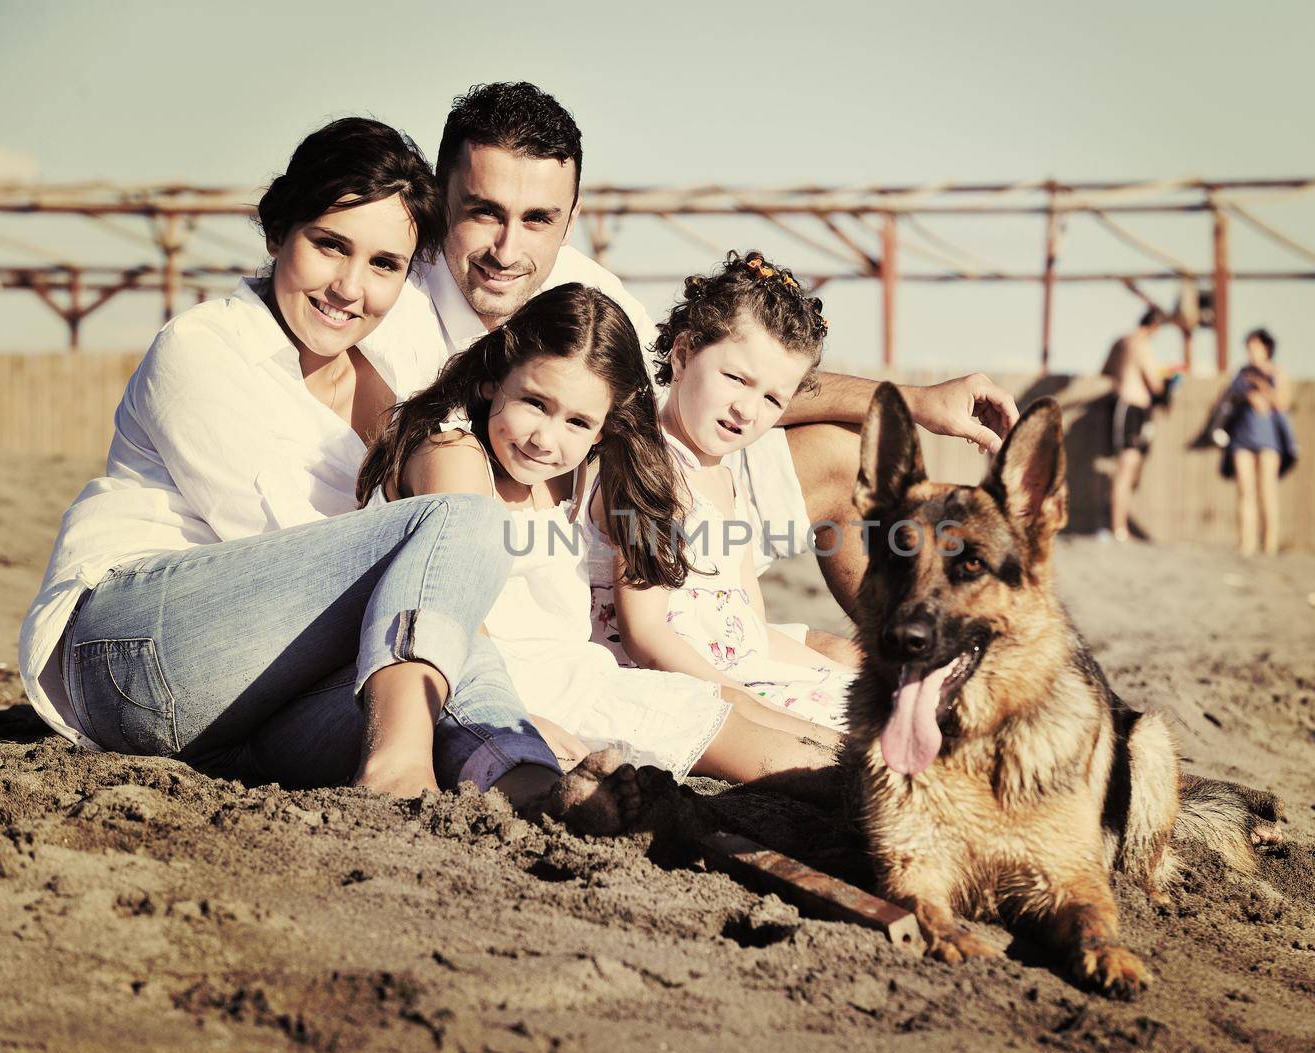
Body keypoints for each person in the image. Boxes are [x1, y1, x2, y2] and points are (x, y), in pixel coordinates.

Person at [17, 118, 639, 829]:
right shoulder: (204, 349)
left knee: (431, 695)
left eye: (384, 265)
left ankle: (529, 784)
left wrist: (487, 696)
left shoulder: (390, 374)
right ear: (281, 228)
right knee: (460, 525)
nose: (350, 286)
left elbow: (408, 610)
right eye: (330, 245)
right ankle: (399, 769)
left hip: (246, 716)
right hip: (132, 655)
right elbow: (318, 551)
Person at [359, 82, 1019, 644]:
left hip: (645, 522)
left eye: (537, 219)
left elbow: (716, 384)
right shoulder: (391, 310)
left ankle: (902, 652)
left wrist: (916, 401)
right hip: (538, 566)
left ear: (571, 216)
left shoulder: (589, 288)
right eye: (483, 212)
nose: (508, 248)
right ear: (444, 196)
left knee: (844, 458)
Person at [357, 282, 841, 799]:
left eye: (579, 421)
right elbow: (453, 613)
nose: (546, 438)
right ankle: (861, 783)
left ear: (604, 426)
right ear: (492, 382)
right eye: (535, 403)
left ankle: (868, 767)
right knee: (744, 743)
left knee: (741, 718)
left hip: (583, 677)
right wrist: (518, 716)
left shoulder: (578, 471)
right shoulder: (455, 455)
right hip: (482, 686)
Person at [593, 252, 855, 730]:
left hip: (738, 674)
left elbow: (751, 630)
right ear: (683, 352)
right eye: (736, 378)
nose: (747, 410)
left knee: (869, 689)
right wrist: (754, 707)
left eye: (773, 398)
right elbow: (646, 635)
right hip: (676, 683)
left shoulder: (726, 478)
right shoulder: (647, 463)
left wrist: (835, 673)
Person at [1221, 328, 1298, 557]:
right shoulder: (1242, 374)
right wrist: (1246, 395)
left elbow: (1283, 403)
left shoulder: (1278, 373)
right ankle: (1246, 542)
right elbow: (1228, 399)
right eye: (1249, 348)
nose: (1251, 352)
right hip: (1243, 436)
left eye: (1256, 347)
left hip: (1269, 439)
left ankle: (1270, 543)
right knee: (1245, 490)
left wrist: (1264, 389)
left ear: (1267, 349)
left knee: (1267, 489)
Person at [1101, 307, 1171, 543]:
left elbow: (1105, 370)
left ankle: (1119, 526)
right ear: (1155, 326)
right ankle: (1119, 528)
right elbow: (1156, 383)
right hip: (1132, 408)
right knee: (1127, 468)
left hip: (1124, 405)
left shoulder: (1120, 342)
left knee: (1130, 468)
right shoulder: (1140, 343)